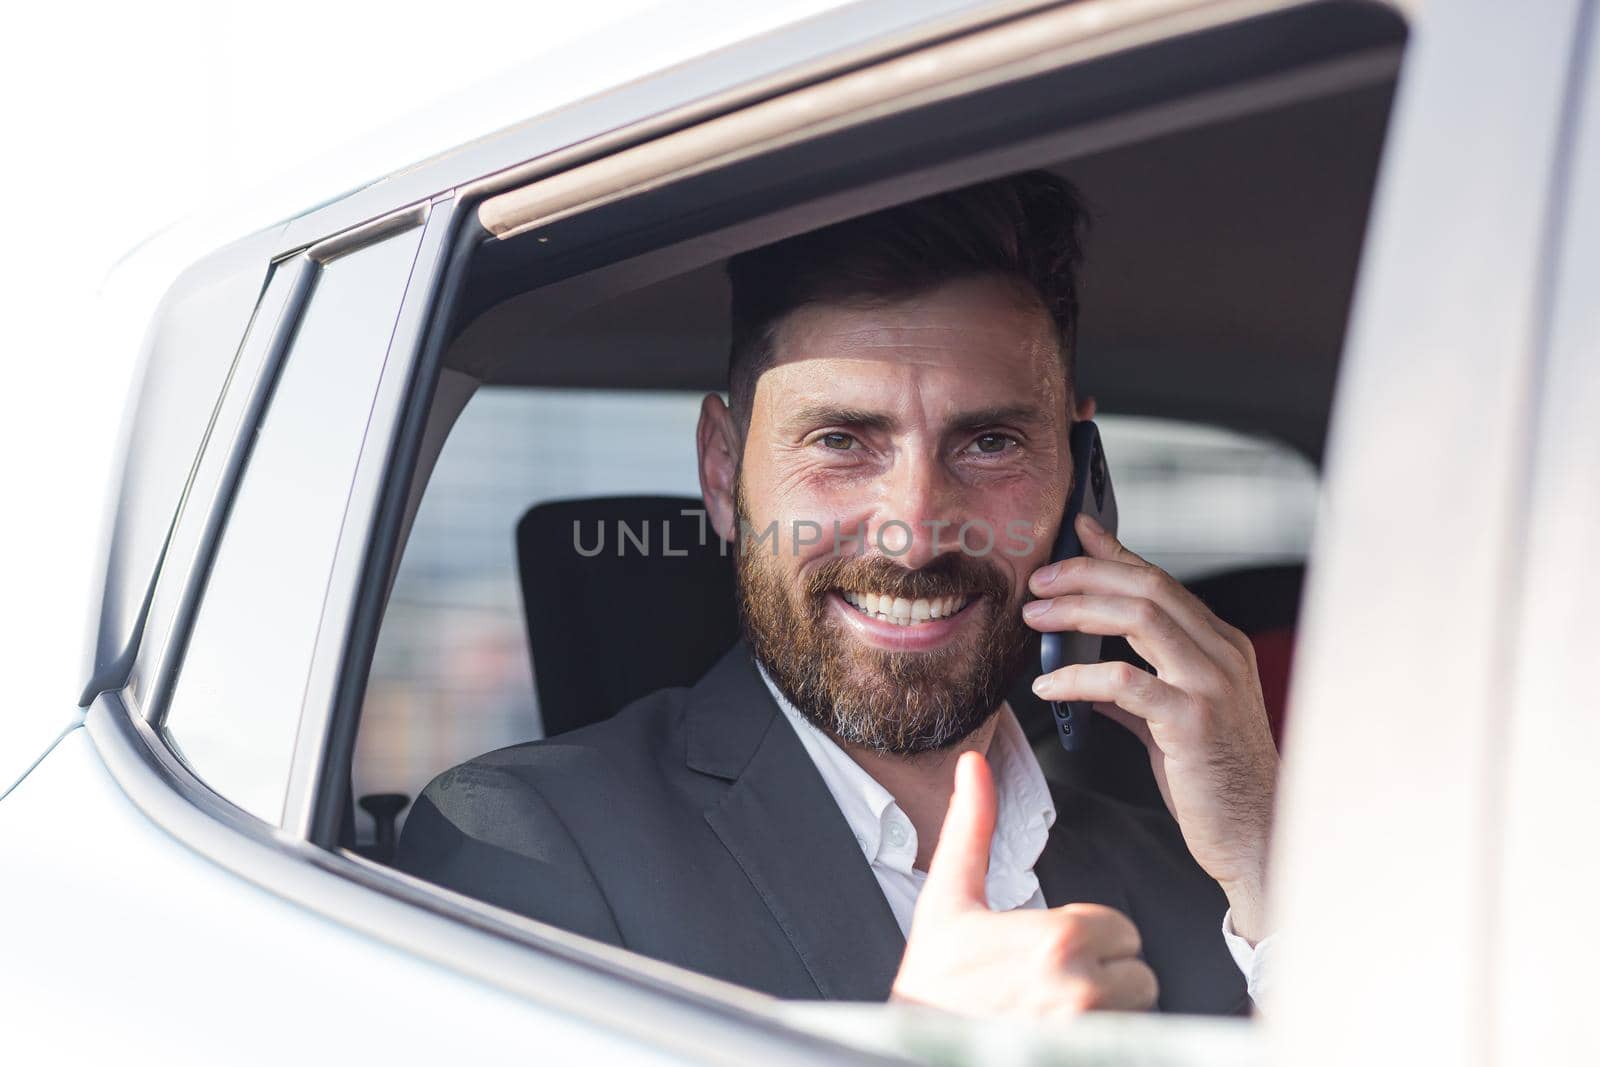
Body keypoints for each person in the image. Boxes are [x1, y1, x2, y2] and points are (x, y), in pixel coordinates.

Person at [396, 171, 1280, 1017]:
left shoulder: (1205, 875)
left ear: (1080, 476)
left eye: (990, 443)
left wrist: (1269, 872)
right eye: (842, 441)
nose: (917, 532)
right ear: (721, 470)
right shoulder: (522, 849)